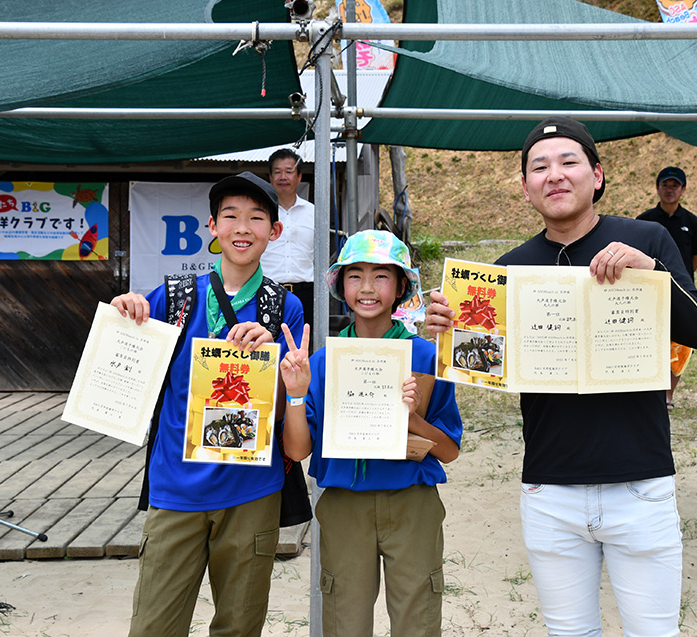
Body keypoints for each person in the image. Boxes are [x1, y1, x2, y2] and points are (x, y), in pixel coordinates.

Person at [426, 117, 697, 636]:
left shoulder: (647, 239)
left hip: (641, 484)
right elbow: (480, 367)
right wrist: (446, 329)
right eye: (540, 167)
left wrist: (651, 270)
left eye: (568, 162)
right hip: (549, 492)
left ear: (597, 175)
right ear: (525, 187)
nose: (554, 175)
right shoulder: (510, 271)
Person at [112, 171, 305, 637]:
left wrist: (272, 355)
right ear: (212, 228)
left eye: (257, 217)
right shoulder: (173, 297)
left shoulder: (285, 309)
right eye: (231, 217)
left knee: (239, 626)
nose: (243, 227)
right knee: (154, 626)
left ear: (274, 232)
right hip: (176, 489)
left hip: (251, 491)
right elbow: (125, 354)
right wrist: (125, 310)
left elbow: (289, 403)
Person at [279, 229, 463, 637]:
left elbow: (448, 451)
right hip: (344, 507)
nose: (366, 288)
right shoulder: (323, 362)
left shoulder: (426, 356)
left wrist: (413, 418)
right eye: (354, 275)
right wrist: (295, 395)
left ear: (401, 286)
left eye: (381, 276)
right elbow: (298, 448)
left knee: (417, 617)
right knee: (345, 620)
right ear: (340, 285)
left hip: (412, 504)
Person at [637, 166, 697, 409]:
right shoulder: (644, 221)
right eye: (665, 185)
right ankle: (648, 391)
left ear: (683, 190)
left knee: (681, 344)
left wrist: (682, 281)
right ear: (657, 188)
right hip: (646, 292)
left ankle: (668, 395)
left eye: (675, 186)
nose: (670, 190)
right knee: (649, 340)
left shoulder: (692, 222)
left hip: (681, 291)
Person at [261, 148, 316, 343]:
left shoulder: (314, 212)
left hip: (306, 293)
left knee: (302, 347)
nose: (283, 177)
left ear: (299, 177)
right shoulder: (259, 212)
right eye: (277, 171)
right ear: (270, 176)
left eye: (289, 171)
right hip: (267, 290)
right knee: (265, 348)